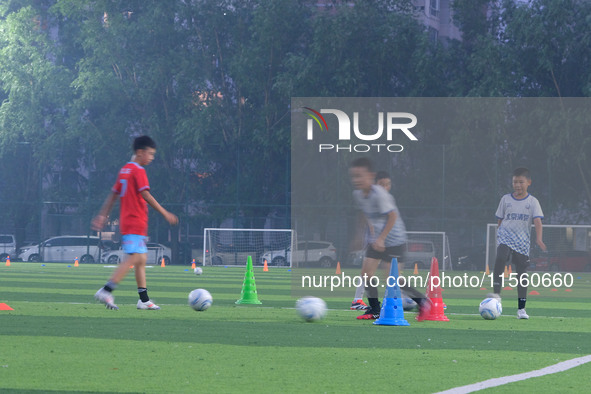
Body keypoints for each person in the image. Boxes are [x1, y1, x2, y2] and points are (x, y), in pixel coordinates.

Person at [92, 135, 178, 310]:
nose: (152, 158)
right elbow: (145, 194)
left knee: (141, 260)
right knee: (134, 258)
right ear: (140, 152)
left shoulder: (125, 170)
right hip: (134, 222)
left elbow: (113, 194)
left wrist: (103, 215)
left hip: (131, 221)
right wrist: (165, 212)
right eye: (150, 154)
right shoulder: (138, 171)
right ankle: (106, 290)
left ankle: (144, 299)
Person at [349, 158, 430, 320]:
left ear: (371, 176)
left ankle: (423, 302)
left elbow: (392, 216)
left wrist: (382, 238)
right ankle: (374, 309)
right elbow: (364, 214)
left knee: (392, 280)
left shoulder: (380, 194)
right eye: (354, 176)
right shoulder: (358, 194)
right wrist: (361, 236)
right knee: (366, 274)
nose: (357, 180)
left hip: (395, 240)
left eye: (360, 176)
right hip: (377, 239)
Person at [490, 167, 546, 319]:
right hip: (505, 236)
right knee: (501, 258)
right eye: (515, 182)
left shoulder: (533, 202)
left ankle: (521, 309)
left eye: (521, 182)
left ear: (529, 183)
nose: (517, 185)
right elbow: (500, 219)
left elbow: (538, 222)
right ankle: (496, 295)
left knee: (521, 274)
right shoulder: (505, 199)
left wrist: (539, 238)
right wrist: (499, 234)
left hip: (522, 242)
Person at [350, 171, 394, 311]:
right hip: (377, 242)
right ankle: (408, 300)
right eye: (382, 184)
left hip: (383, 241)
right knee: (380, 272)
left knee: (370, 272)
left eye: (388, 184)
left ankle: (358, 300)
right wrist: (375, 235)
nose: (385, 187)